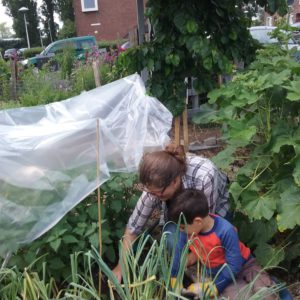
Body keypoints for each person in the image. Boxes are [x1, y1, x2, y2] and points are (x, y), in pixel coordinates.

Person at [112, 143, 230, 282]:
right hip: (181, 213)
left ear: (175, 181)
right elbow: (133, 228)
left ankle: (198, 269)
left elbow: (206, 225)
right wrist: (121, 267)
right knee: (171, 238)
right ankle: (182, 269)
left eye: (159, 193)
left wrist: (190, 259)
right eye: (151, 192)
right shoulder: (155, 188)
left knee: (215, 245)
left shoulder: (204, 177)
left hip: (214, 214)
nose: (154, 196)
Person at [168, 188, 278, 299]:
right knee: (242, 297)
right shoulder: (186, 231)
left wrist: (212, 288)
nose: (180, 231)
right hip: (220, 275)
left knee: (266, 294)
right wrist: (175, 280)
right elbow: (178, 256)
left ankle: (268, 282)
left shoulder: (225, 231)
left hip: (245, 266)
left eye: (182, 227)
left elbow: (233, 266)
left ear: (198, 221)